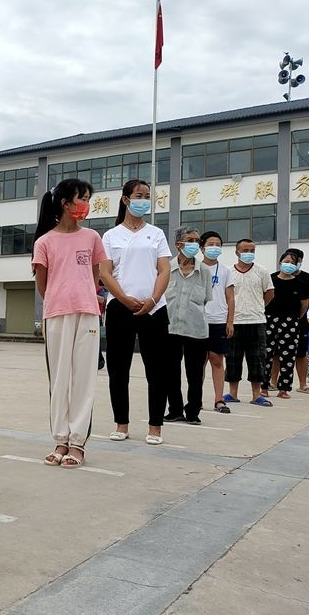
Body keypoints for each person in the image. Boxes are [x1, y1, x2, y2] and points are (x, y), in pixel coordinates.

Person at [31, 179, 107, 468]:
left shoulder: (92, 237)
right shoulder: (44, 242)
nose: (86, 205)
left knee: (84, 379)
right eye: (82, 198)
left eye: (87, 199)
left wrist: (86, 295)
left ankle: (77, 444)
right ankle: (60, 439)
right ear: (65, 203)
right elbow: (43, 285)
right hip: (56, 314)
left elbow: (96, 275)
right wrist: (61, 298)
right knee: (60, 378)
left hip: (88, 313)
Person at [100, 179, 171, 445]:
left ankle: (155, 426)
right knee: (118, 369)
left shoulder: (156, 233)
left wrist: (153, 300)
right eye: (139, 195)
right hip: (120, 308)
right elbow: (105, 273)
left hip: (154, 308)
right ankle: (121, 423)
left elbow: (164, 270)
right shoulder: (111, 236)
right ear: (126, 199)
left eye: (147, 196)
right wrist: (124, 299)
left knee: (157, 370)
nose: (144, 200)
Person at [164, 226, 212, 424]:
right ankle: (175, 410)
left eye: (197, 241)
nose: (195, 244)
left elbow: (206, 298)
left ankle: (193, 411)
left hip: (196, 330)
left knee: (195, 374)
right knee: (171, 372)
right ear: (178, 244)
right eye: (190, 240)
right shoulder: (166, 268)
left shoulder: (204, 271)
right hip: (170, 328)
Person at [224, 239, 274, 407]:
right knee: (232, 358)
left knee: (257, 358)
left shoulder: (262, 271)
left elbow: (269, 293)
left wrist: (258, 306)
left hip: (257, 320)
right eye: (245, 250)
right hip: (234, 321)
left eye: (252, 250)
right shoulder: (228, 272)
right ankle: (232, 393)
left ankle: (256, 394)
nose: (249, 253)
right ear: (237, 252)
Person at [264, 251, 309, 399]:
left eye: (292, 262)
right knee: (266, 354)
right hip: (270, 320)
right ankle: (263, 387)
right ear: (280, 262)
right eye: (286, 261)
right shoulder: (270, 279)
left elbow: (304, 305)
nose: (289, 264)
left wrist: (294, 318)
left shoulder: (300, 284)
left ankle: (284, 388)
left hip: (291, 322)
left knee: (288, 356)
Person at [200, 231, 236, 413]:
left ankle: (219, 400)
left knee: (217, 360)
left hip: (218, 320)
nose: (214, 248)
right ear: (202, 248)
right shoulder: (195, 268)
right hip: (198, 321)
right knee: (198, 362)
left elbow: (230, 298)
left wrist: (230, 321)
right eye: (210, 244)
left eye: (218, 245)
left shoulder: (225, 270)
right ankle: (195, 399)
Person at [287, 249, 309, 393]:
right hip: (279, 321)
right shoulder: (274, 277)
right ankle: (273, 382)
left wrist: (300, 300)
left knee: (301, 353)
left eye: (296, 260)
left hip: (300, 320)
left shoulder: (307, 278)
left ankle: (303, 384)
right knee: (276, 353)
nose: (291, 263)